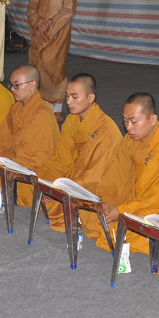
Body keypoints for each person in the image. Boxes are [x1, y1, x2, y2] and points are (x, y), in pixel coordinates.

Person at [81, 93, 159, 254]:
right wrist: (105, 203)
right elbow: (116, 177)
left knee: (136, 231)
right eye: (125, 121)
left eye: (134, 121)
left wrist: (121, 210)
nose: (128, 127)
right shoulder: (129, 140)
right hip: (138, 202)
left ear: (153, 119)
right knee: (92, 213)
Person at [37, 73, 122, 232]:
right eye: (67, 96)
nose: (68, 102)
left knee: (89, 214)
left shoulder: (106, 129)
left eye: (74, 97)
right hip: (77, 176)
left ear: (90, 98)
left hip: (102, 183)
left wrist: (60, 189)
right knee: (37, 180)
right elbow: (60, 158)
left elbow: (94, 175)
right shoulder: (71, 120)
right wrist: (49, 182)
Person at [0, 65, 59, 207]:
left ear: (32, 85)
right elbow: (0, 140)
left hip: (33, 167)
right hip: (14, 158)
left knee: (25, 188)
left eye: (16, 85)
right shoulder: (15, 108)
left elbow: (33, 157)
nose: (12, 90)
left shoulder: (42, 113)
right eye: (11, 85)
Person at [27, 0, 77, 121]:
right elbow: (31, 8)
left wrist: (48, 26)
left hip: (57, 35)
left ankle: (56, 109)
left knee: (55, 68)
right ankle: (39, 105)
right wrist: (38, 21)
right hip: (39, 35)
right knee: (38, 67)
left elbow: (68, 11)